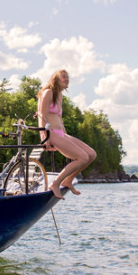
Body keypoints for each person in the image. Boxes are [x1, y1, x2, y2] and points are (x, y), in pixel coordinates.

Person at [37, 69, 96, 200]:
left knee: (91, 154)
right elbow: (41, 114)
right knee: (82, 158)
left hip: (60, 133)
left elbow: (59, 117)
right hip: (50, 133)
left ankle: (68, 180)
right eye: (63, 77)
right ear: (55, 79)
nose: (67, 79)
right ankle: (55, 183)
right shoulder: (48, 92)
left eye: (68, 77)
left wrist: (65, 135)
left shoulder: (59, 95)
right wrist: (44, 136)